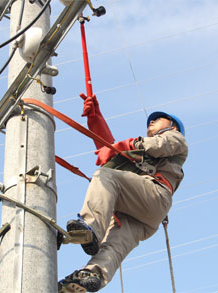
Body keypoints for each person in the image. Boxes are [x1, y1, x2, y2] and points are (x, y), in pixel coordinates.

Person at [58, 95, 188, 292]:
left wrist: (126, 145)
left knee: (106, 176)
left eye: (159, 118)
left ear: (173, 127)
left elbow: (155, 146)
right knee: (114, 246)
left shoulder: (176, 140)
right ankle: (92, 275)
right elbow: (108, 149)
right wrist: (95, 118)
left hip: (154, 195)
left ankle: (89, 228)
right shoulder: (137, 157)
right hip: (140, 215)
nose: (151, 121)